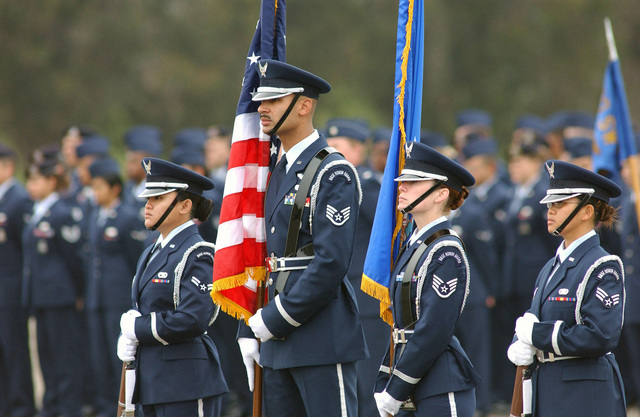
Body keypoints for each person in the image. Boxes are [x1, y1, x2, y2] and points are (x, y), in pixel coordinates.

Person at [237, 59, 368, 417]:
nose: (261, 108)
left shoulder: (332, 170)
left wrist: (274, 318)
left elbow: (330, 263)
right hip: (276, 340)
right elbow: (262, 254)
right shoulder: (277, 169)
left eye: (274, 100)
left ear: (304, 105)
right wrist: (247, 325)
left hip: (320, 336)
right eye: (261, 100)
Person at [507, 160, 626, 416]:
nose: (550, 210)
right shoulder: (552, 265)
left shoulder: (602, 265)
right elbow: (535, 319)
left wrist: (536, 335)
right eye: (550, 204)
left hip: (583, 393)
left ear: (587, 212)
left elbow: (600, 336)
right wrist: (520, 340)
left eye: (560, 204)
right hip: (549, 387)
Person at [374, 141, 481, 417]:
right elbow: (402, 325)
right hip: (414, 381)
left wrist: (397, 387)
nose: (402, 186)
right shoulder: (416, 244)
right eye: (403, 180)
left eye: (414, 182)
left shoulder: (446, 252)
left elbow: (434, 329)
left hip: (440, 387)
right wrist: (386, 379)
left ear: (440, 194)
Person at [117, 157, 228, 416]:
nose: (148, 206)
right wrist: (129, 334)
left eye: (158, 199)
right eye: (148, 199)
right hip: (153, 381)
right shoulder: (151, 250)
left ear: (185, 205)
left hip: (186, 382)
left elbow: (193, 318)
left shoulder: (198, 253)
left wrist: (138, 328)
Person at [325, 117, 389, 417]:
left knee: (367, 384)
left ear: (357, 151)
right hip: (335, 297)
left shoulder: (366, 185)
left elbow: (384, 228)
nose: (330, 151)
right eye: (329, 145)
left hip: (364, 299)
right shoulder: (328, 184)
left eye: (337, 147)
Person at [22, 147, 85, 417]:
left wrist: (78, 292)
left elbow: (73, 257)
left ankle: (68, 407)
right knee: (45, 356)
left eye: (36, 180)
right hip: (40, 296)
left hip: (60, 296)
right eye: (30, 180)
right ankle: (51, 405)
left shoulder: (61, 212)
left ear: (51, 182)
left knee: (64, 357)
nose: (30, 186)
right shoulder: (36, 212)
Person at [85, 158, 147, 417]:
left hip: (117, 297)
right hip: (96, 297)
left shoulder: (127, 218)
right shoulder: (94, 217)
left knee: (116, 355)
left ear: (115, 189)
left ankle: (120, 405)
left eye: (99, 187)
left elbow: (136, 259)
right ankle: (103, 405)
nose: (94, 193)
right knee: (98, 356)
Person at [452, 138, 509, 416]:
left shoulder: (472, 214)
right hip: (453, 294)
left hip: (475, 293)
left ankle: (481, 402)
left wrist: (491, 290)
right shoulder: (456, 214)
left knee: (477, 351)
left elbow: (486, 257)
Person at [0, 144, 35, 417]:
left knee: (14, 350)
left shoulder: (18, 199)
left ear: (8, 167)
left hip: (12, 290)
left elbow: (28, 250)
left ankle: (22, 405)